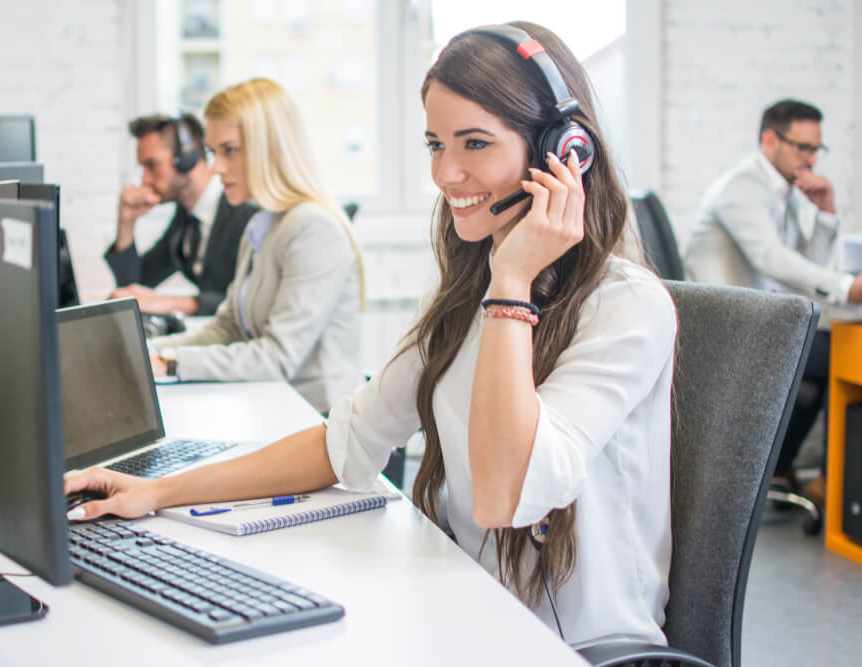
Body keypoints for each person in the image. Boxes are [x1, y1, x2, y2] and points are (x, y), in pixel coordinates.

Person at [68, 23, 675, 646]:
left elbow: (504, 498)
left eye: (475, 143)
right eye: (436, 144)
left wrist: (514, 283)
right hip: (469, 614)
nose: (446, 173)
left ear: (564, 151)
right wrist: (159, 492)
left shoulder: (625, 307)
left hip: (572, 647)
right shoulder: (469, 296)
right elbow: (350, 440)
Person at [146, 79, 366, 416]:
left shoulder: (313, 228)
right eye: (213, 152)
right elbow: (228, 327)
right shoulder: (262, 223)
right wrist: (148, 351)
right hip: (275, 409)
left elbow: (276, 357)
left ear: (270, 149)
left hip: (321, 423)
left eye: (229, 151)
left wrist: (169, 362)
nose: (217, 168)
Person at [684, 99, 857, 507]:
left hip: (761, 323)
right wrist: (847, 287)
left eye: (817, 149)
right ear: (769, 140)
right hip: (729, 331)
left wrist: (826, 214)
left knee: (826, 358)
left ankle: (780, 467)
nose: (811, 159)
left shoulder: (788, 189)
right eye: (803, 147)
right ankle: (830, 482)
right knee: (836, 353)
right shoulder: (743, 186)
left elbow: (806, 271)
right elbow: (772, 260)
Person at [105, 113, 258, 315]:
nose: (145, 179)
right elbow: (134, 287)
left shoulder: (247, 211)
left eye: (152, 165)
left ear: (187, 158)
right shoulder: (186, 219)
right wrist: (126, 222)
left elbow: (255, 301)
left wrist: (172, 303)